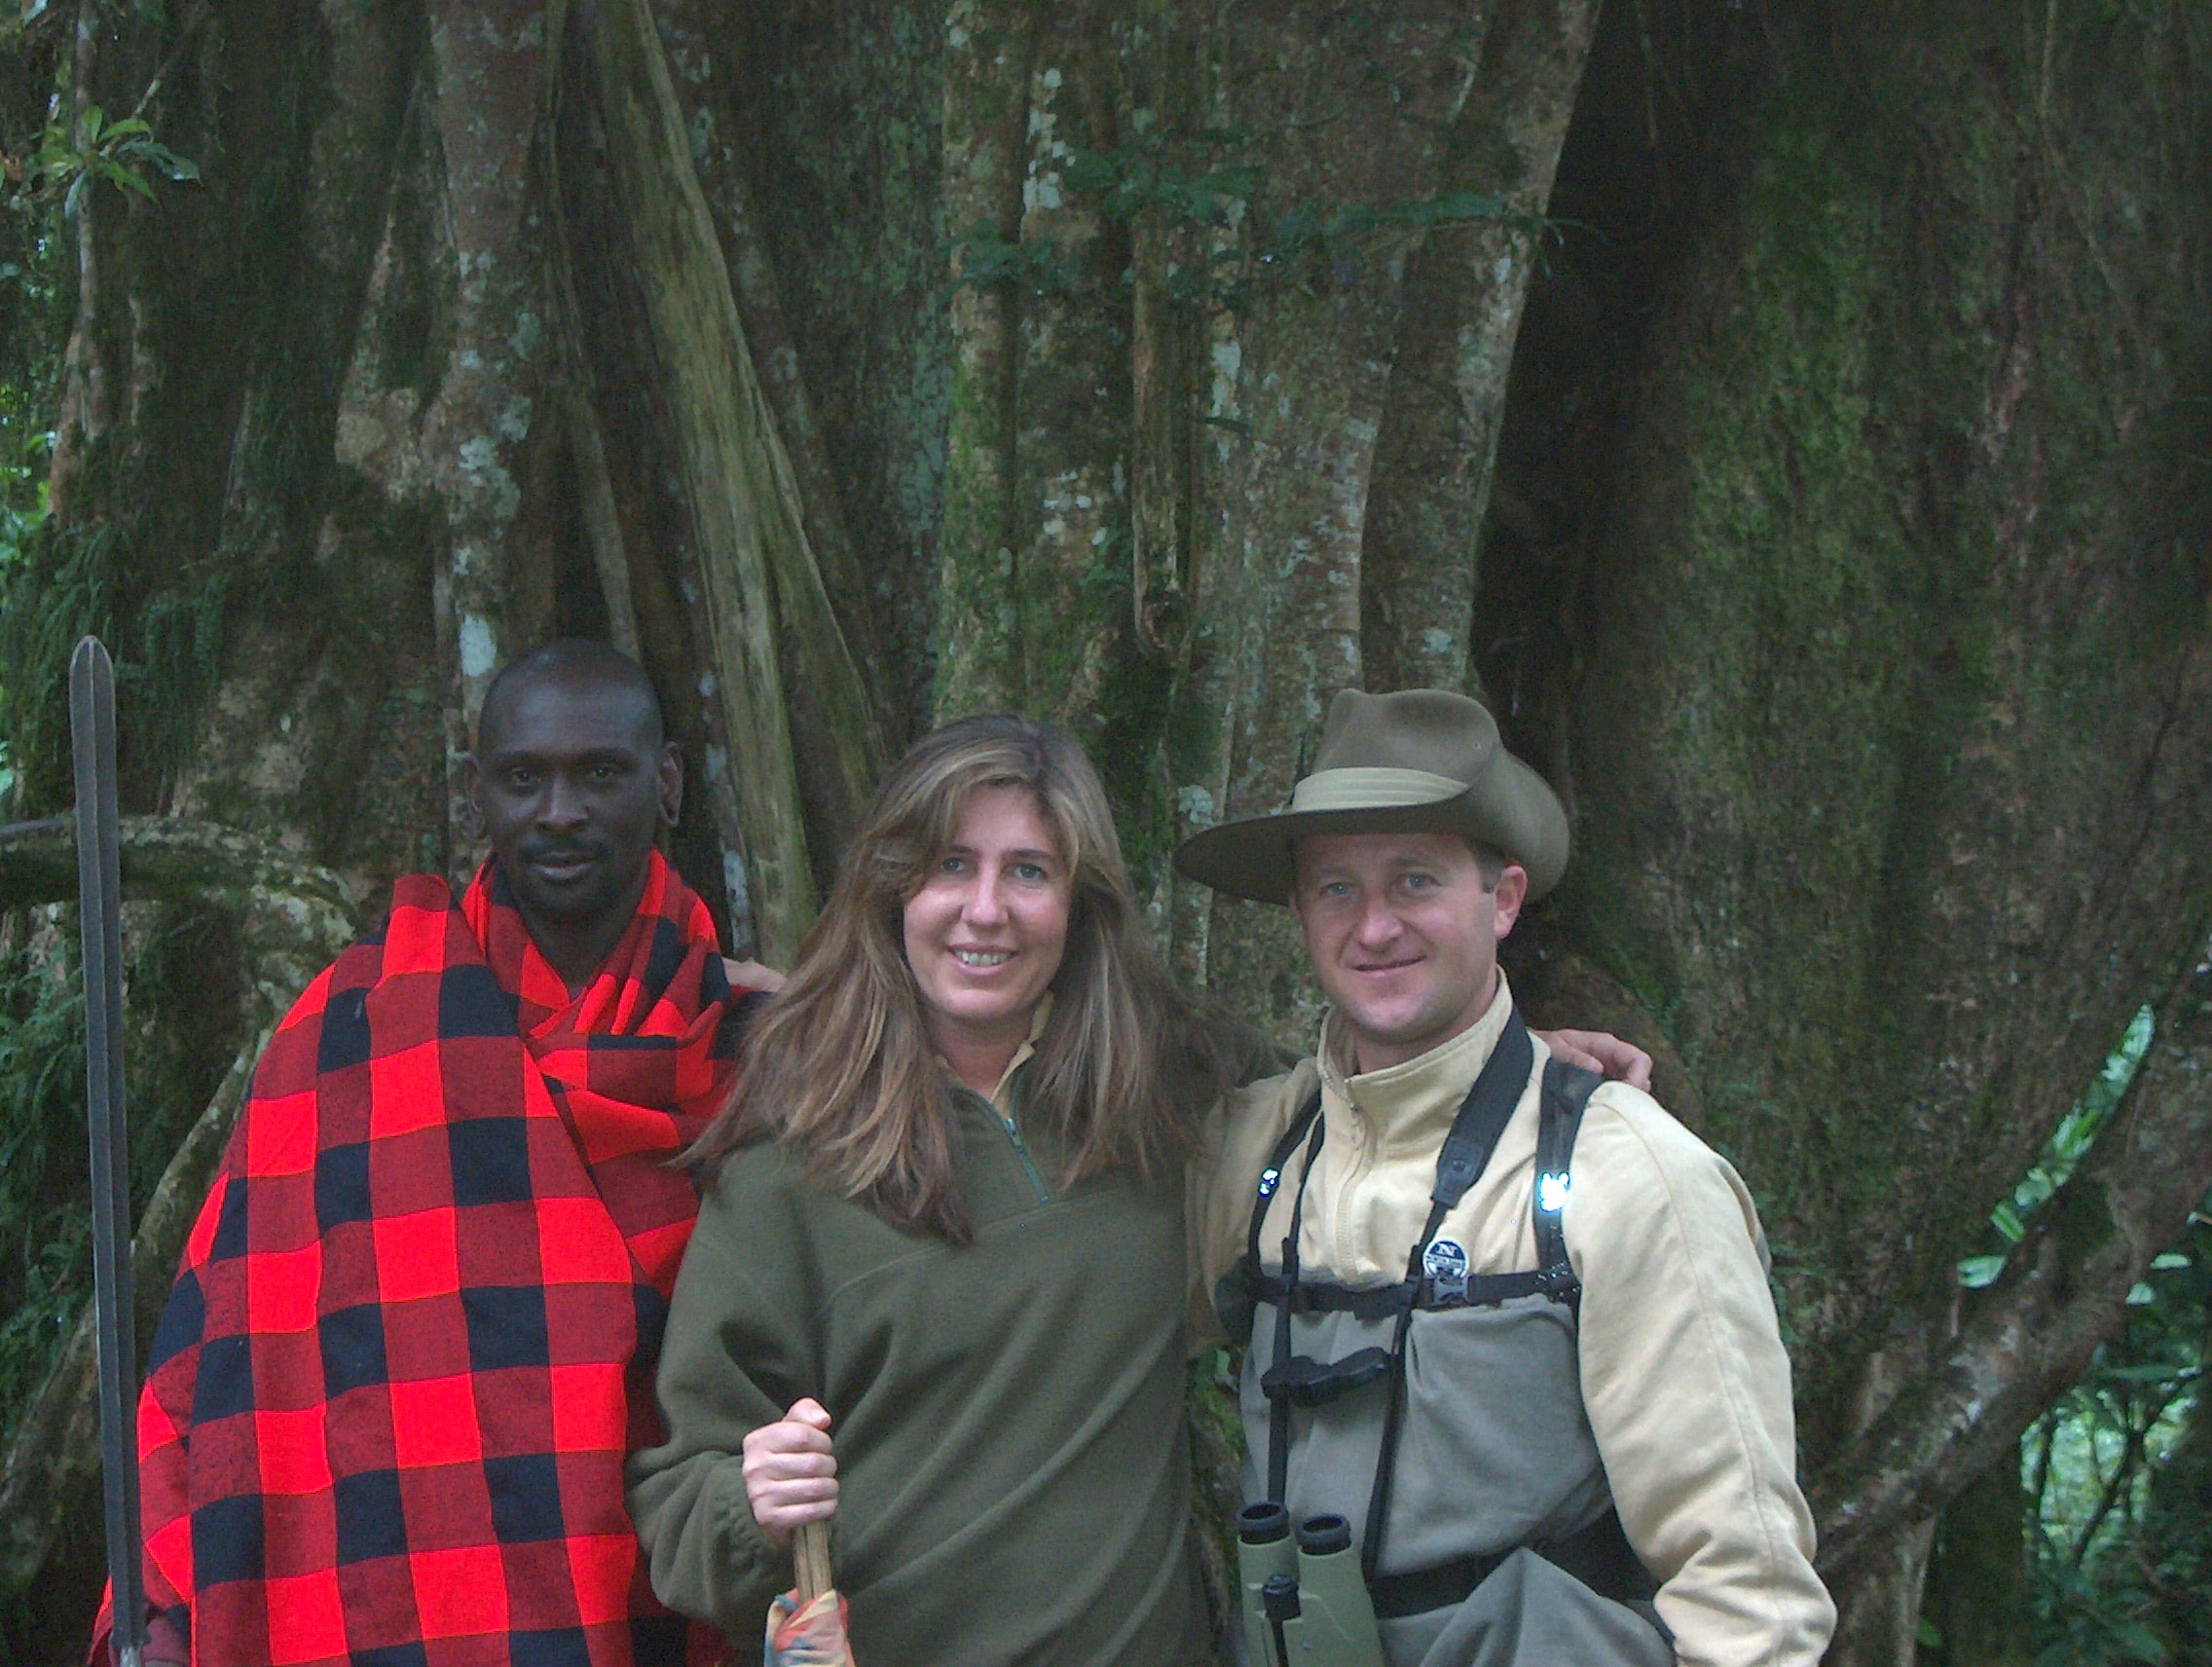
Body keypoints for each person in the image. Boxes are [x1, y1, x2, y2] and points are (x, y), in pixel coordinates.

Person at [624, 713, 1649, 1664]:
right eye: (951, 866)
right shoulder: (791, 1164)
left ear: (1077, 903)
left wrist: (1501, 1067)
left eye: (1028, 870)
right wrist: (747, 1503)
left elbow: (1363, 1105)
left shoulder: (1160, 1093)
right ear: (895, 890)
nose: (985, 909)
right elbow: (678, 1511)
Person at [98, 640, 776, 1667]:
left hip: (672, 1590)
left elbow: (847, 1335)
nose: (558, 811)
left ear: (667, 782)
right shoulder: (350, 1030)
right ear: (477, 795)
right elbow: (220, 1337)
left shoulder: (761, 1046)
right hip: (392, 1586)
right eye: (523, 778)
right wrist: (161, 1593)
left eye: (599, 772)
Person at [1178, 687, 1836, 1667]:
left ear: (1504, 896)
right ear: (1297, 910)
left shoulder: (1627, 1173)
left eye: (1415, 880)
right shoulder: (1255, 1151)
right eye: (1335, 888)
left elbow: (1749, 1596)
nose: (1373, 927)